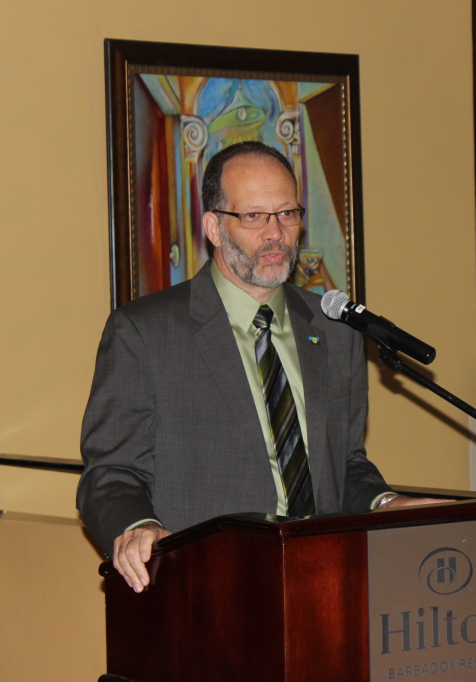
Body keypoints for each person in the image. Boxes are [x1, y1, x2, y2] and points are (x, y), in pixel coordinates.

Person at [77, 141, 440, 593]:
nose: (276, 234)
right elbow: (110, 474)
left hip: (325, 581)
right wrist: (138, 524)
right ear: (213, 226)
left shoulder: (337, 331)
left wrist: (386, 502)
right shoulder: (145, 333)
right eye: (253, 216)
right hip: (208, 586)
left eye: (287, 214)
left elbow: (343, 464)